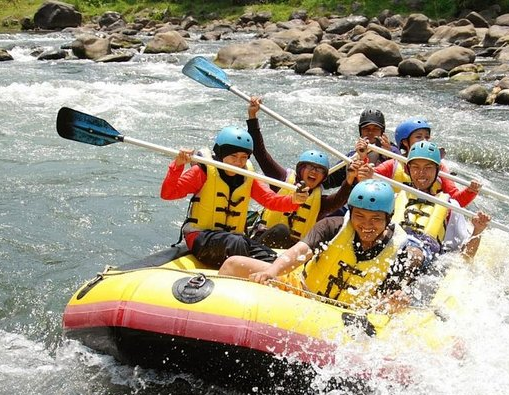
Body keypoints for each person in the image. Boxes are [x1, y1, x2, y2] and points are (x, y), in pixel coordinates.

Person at [219, 179, 427, 312]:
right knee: (233, 265)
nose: (366, 225)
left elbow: (386, 300)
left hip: (348, 313)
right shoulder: (332, 226)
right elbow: (299, 251)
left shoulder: (399, 252)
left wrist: (395, 304)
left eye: (375, 219)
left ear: (388, 219)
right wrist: (273, 271)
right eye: (359, 216)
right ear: (351, 214)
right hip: (303, 289)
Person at [160, 126, 309, 269]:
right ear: (221, 154)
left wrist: (294, 200)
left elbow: (271, 200)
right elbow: (168, 193)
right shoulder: (203, 171)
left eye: (244, 157)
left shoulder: (247, 176)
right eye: (233, 157)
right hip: (201, 237)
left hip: (233, 240)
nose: (238, 162)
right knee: (236, 242)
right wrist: (177, 165)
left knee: (273, 260)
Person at [245, 97, 368, 248]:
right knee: (281, 231)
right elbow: (260, 153)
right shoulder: (281, 179)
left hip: (292, 253)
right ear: (300, 170)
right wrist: (252, 117)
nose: (314, 172)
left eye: (319, 170)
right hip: (263, 242)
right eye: (310, 167)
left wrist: (351, 178)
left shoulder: (320, 203)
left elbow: (341, 198)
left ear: (324, 177)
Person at [393, 140, 491, 265]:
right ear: (408, 169)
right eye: (415, 167)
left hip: (424, 256)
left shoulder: (450, 206)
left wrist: (478, 230)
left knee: (412, 256)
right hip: (395, 248)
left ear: (437, 170)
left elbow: (464, 257)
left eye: (428, 168)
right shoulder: (395, 198)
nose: (421, 173)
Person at [367, 117, 480, 208]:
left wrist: (470, 191)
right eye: (419, 137)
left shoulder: (439, 167)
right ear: (405, 142)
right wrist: (364, 162)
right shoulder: (394, 164)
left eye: (427, 137)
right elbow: (367, 181)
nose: (424, 141)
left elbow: (456, 202)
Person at [323, 107, 399, 189]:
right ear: (361, 132)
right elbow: (329, 180)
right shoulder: (352, 157)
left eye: (375, 129)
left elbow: (404, 173)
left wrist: (388, 155)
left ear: (382, 132)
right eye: (366, 129)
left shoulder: (392, 151)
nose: (370, 132)